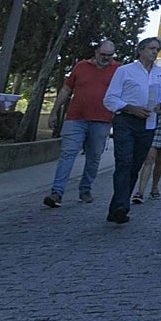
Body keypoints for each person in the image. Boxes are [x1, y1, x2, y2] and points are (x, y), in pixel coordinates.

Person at [101, 38, 161, 224]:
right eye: (150, 48)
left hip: (148, 122)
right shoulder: (124, 71)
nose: (154, 52)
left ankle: (117, 206)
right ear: (140, 50)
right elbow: (110, 99)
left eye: (157, 49)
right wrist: (129, 107)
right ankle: (121, 206)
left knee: (135, 164)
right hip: (126, 121)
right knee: (124, 162)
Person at [42, 41, 119, 208]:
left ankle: (85, 190)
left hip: (102, 120)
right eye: (103, 54)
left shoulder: (119, 70)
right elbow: (66, 89)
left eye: (109, 55)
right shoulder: (81, 66)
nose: (106, 58)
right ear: (96, 51)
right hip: (75, 118)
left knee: (93, 157)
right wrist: (54, 110)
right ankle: (57, 192)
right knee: (67, 154)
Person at [133, 65, 161, 204]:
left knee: (160, 161)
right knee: (149, 158)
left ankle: (155, 186)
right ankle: (140, 191)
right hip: (152, 124)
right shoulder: (154, 91)